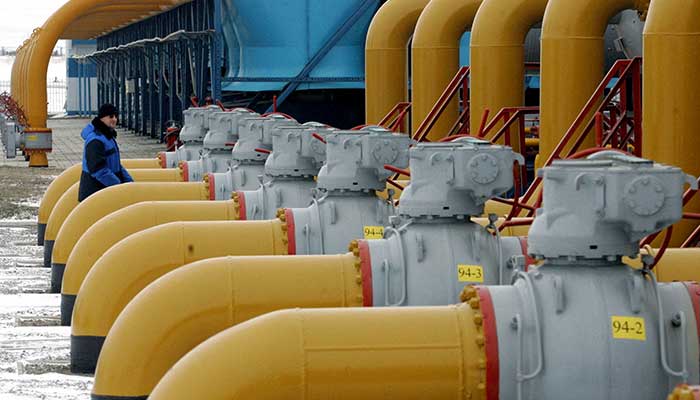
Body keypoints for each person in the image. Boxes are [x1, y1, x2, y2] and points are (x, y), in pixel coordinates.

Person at [78, 104, 133, 202]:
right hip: (94, 193)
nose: (115, 119)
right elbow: (98, 170)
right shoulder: (96, 140)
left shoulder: (107, 136)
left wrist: (129, 183)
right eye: (111, 116)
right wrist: (118, 186)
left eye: (116, 116)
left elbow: (116, 165)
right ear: (102, 118)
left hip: (105, 190)